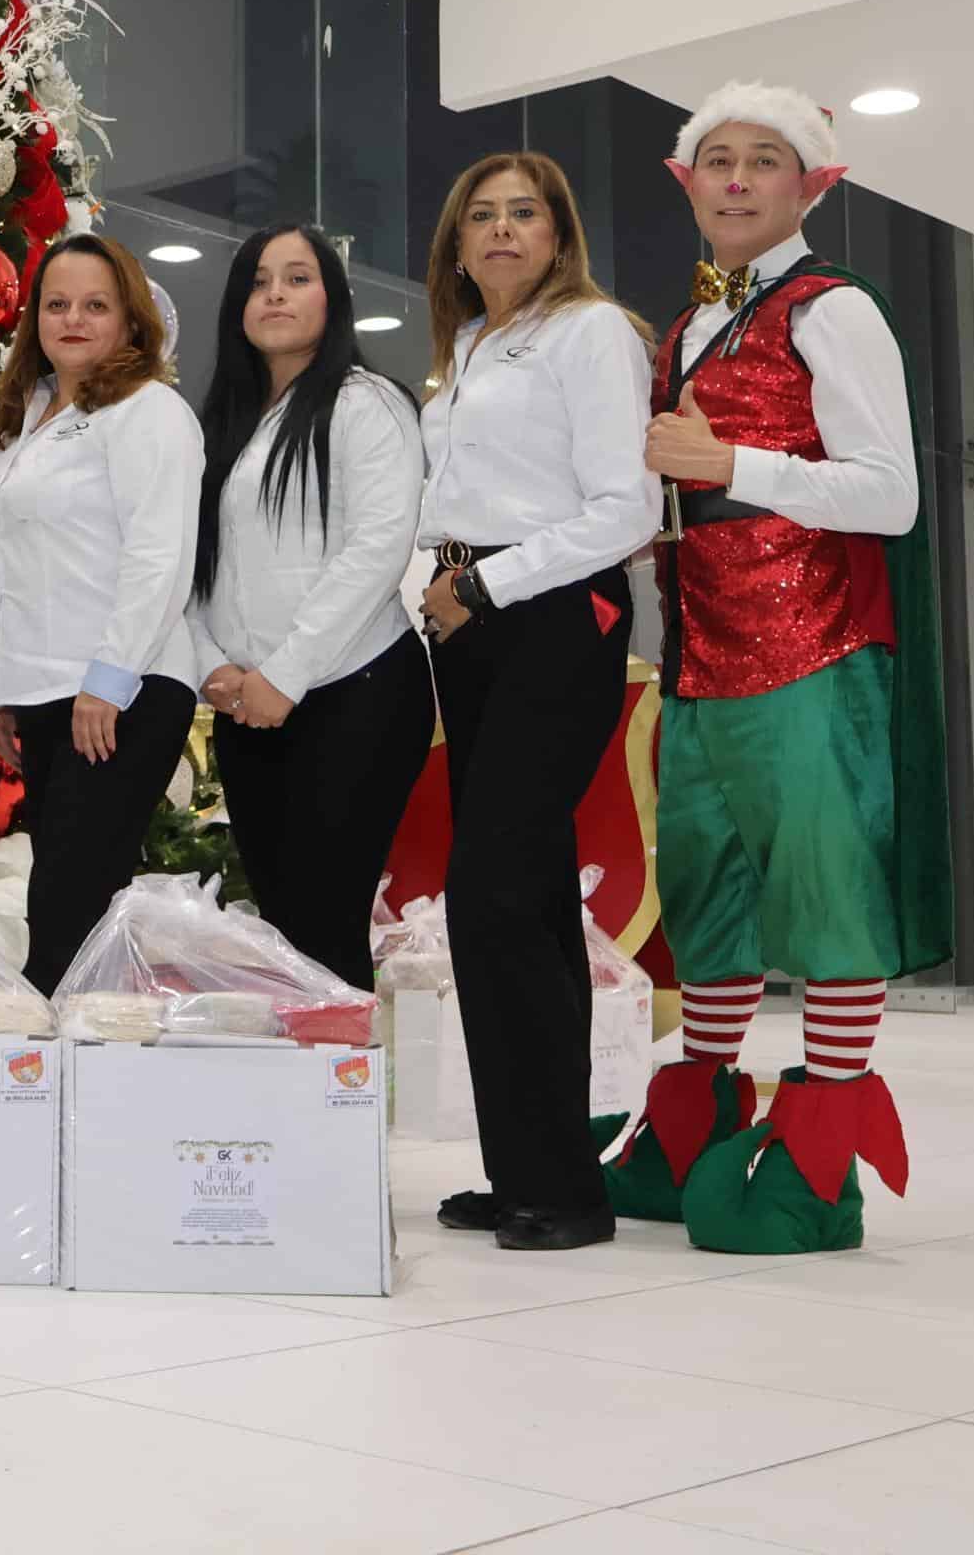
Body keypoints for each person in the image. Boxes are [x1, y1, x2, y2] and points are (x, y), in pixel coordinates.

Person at [601, 81, 950, 1254]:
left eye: (765, 160)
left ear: (816, 185)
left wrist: (731, 459)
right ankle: (695, 1124)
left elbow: (890, 491)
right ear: (685, 182)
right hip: (704, 660)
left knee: (829, 896)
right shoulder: (689, 326)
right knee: (710, 903)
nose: (739, 178)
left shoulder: (834, 309)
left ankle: (818, 1165)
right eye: (718, 160)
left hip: (815, 649)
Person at [415, 151, 657, 1254]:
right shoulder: (465, 348)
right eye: (483, 217)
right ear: (458, 246)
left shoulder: (591, 332)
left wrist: (479, 584)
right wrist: (434, 582)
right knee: (527, 897)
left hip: (555, 613)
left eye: (525, 214)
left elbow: (624, 509)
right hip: (473, 624)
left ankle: (561, 1185)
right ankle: (532, 1169)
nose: (504, 231)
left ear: (558, 234)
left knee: (497, 891)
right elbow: (446, 499)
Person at [189, 225, 433, 990]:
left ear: (334, 298)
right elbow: (191, 567)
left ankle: (343, 1099)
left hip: (354, 695)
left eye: (297, 279)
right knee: (286, 931)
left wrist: (284, 676)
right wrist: (216, 668)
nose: (275, 296)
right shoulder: (222, 422)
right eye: (259, 282)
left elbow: (376, 550)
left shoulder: (368, 404)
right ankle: (306, 1100)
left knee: (327, 924)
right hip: (246, 705)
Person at [0, 233, 204, 995]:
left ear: (132, 321)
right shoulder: (22, 417)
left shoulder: (149, 410)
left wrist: (109, 681)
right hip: (41, 693)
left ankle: (58, 1085)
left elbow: (159, 556)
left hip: (120, 691)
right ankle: (72, 1080)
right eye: (57, 303)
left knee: (67, 909)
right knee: (63, 904)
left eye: (96, 305)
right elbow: (6, 566)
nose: (73, 319)